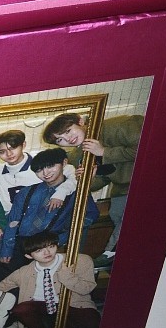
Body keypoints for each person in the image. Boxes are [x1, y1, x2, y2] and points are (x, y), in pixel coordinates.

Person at [43, 113, 143, 267]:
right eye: (60, 140)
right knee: (116, 213)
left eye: (68, 131)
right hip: (123, 186)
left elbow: (149, 145)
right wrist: (88, 179)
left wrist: (103, 152)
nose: (68, 139)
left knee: (126, 216)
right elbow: (105, 178)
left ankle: (111, 253)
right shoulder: (78, 155)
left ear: (81, 121)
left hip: (148, 177)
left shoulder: (117, 126)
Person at [0, 147, 99, 274]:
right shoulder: (26, 192)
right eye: (39, 170)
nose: (45, 173)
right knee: (10, 277)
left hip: (52, 246)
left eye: (50, 166)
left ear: (64, 163)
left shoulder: (76, 192)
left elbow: (91, 215)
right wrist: (7, 249)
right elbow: (13, 221)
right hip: (23, 244)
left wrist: (61, 239)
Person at [0, 230, 100, 328]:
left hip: (75, 305)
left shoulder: (80, 260)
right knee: (22, 309)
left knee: (93, 324)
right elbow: (1, 286)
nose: (47, 252)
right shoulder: (24, 271)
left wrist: (67, 277)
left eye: (51, 246)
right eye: (39, 250)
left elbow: (86, 289)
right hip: (40, 307)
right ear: (29, 256)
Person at [0, 129, 77, 215]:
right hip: (10, 218)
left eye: (13, 148)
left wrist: (61, 192)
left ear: (23, 145)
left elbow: (74, 175)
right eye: (2, 152)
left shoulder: (41, 162)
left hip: (43, 214)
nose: (9, 154)